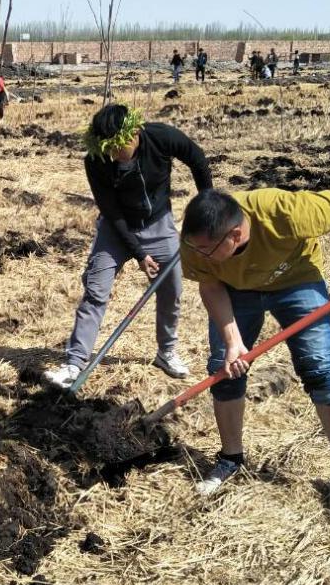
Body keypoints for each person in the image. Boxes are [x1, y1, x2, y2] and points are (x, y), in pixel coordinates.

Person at [179, 187, 330, 515]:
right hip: (236, 291)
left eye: (207, 250)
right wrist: (232, 341)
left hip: (296, 281)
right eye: (195, 248)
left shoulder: (288, 212)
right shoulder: (198, 242)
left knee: (320, 366)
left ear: (235, 235)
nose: (199, 255)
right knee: (224, 370)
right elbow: (210, 283)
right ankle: (230, 458)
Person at [44, 104, 212, 389]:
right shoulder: (96, 161)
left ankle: (166, 352)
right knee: (95, 292)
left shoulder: (161, 137)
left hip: (159, 224)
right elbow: (111, 211)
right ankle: (74, 363)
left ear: (134, 133)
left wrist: (208, 205)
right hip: (116, 229)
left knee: (171, 290)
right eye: (108, 150)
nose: (113, 156)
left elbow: (197, 158)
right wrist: (139, 253)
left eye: (118, 148)